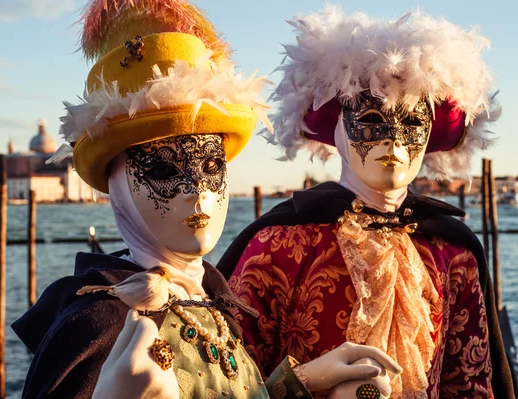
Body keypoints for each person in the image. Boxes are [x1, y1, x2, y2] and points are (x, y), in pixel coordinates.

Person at [12, 1, 403, 398]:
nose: (197, 189)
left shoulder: (208, 297)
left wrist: (297, 384)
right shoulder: (100, 326)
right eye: (163, 170)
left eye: (211, 164)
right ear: (118, 185)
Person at [217, 6, 514, 399]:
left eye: (411, 124)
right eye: (372, 119)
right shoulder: (277, 246)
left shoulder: (454, 253)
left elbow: (469, 386)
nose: (393, 141)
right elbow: (226, 381)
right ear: (339, 128)